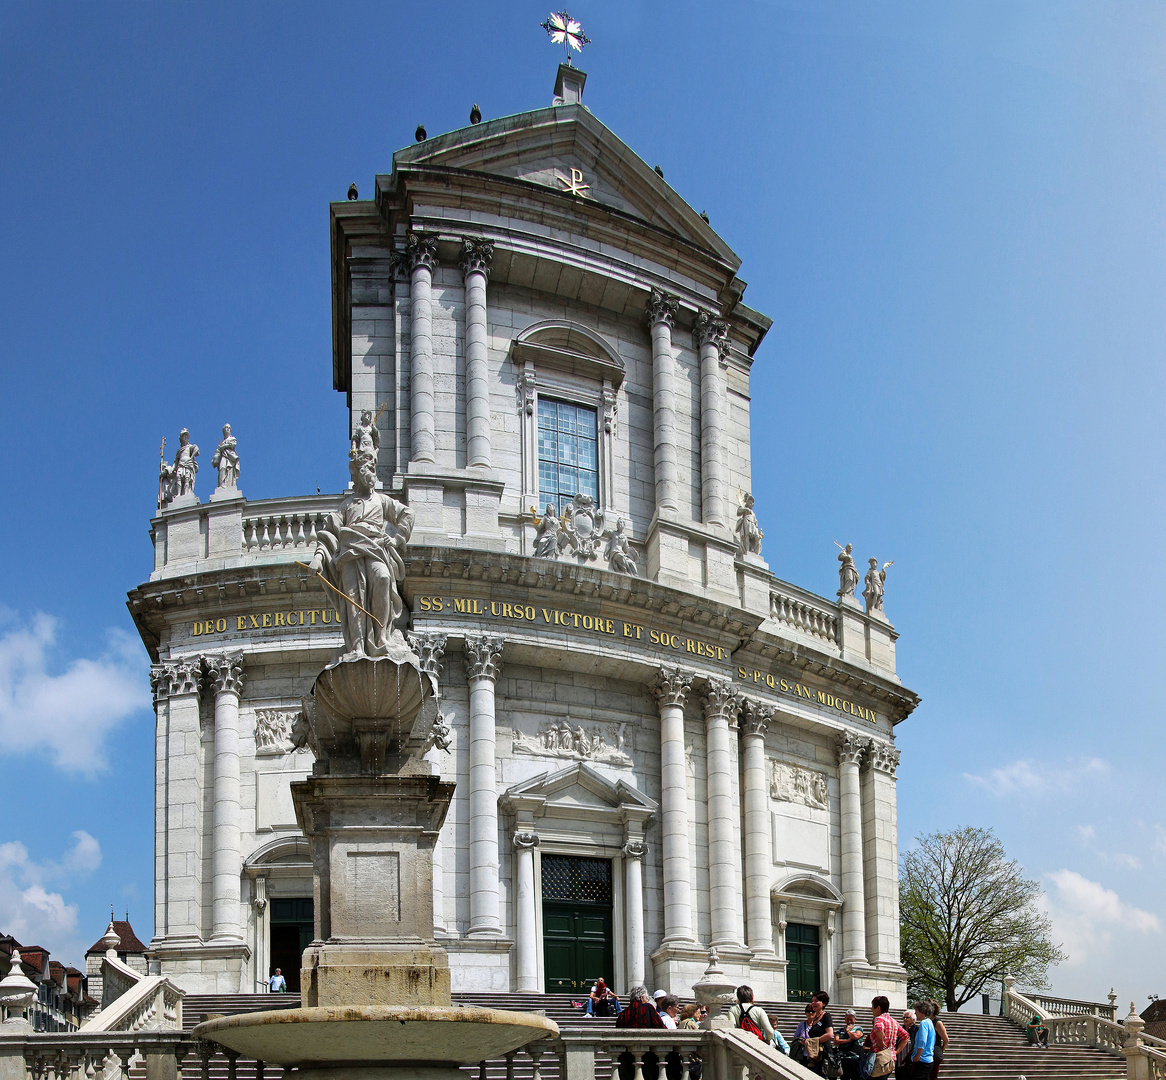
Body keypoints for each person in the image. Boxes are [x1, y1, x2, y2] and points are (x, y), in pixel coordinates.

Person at [616, 986, 665, 1080]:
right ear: (642, 998)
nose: (647, 1001)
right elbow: (660, 1027)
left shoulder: (623, 1014)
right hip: (646, 1056)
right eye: (647, 998)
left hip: (626, 1057)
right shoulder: (648, 1007)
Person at [868, 995, 910, 1080]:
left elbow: (879, 1028)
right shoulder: (894, 1021)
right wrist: (896, 1051)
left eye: (873, 1007)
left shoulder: (878, 1019)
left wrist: (880, 1041)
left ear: (878, 1008)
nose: (871, 1009)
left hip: (879, 1059)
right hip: (890, 1058)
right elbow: (906, 1036)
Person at [805, 992, 835, 1075]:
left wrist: (813, 1042)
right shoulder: (815, 1018)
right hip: (815, 1054)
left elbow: (830, 1034)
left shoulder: (826, 1016)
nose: (813, 1003)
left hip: (824, 1053)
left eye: (816, 1001)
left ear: (824, 1003)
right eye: (812, 1001)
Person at [835, 1009, 864, 1079]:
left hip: (855, 1060)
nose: (849, 1022)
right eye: (847, 1019)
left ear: (855, 1019)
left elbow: (856, 1036)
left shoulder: (858, 1028)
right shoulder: (840, 1030)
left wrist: (848, 1031)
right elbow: (836, 1041)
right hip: (843, 1060)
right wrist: (848, 1040)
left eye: (851, 1020)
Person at [910, 1001, 935, 1079]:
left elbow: (922, 1041)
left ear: (922, 1011)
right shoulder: (930, 1022)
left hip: (922, 1059)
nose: (915, 1013)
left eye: (916, 1010)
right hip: (929, 1059)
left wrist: (918, 1055)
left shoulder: (923, 1023)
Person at [928, 1000, 948, 1077]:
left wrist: (940, 1050)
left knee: (933, 1076)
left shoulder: (937, 1022)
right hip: (928, 1052)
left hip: (935, 1053)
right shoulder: (927, 1021)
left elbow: (946, 1040)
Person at [895, 1010, 917, 1080]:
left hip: (910, 1063)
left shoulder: (916, 1030)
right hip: (899, 1062)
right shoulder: (901, 1030)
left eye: (907, 1018)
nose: (905, 1019)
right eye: (903, 1018)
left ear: (913, 1019)